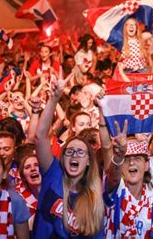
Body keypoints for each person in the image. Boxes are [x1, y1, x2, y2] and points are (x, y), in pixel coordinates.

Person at [33, 74, 104, 238]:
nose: (74, 155)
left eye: (81, 152)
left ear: (88, 161)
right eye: (70, 151)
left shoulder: (94, 199)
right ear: (62, 158)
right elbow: (40, 137)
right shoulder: (53, 173)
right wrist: (54, 98)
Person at [104, 129, 153, 238]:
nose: (131, 162)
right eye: (126, 159)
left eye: (137, 158)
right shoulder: (113, 188)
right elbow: (112, 176)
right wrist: (119, 156)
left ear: (146, 165)